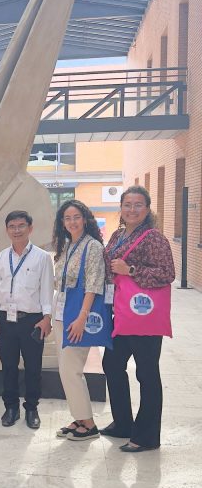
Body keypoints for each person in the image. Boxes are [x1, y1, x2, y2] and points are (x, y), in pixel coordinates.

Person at [102, 185, 175, 452]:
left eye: (138, 205)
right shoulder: (118, 234)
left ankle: (147, 436)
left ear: (147, 209)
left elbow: (167, 274)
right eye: (127, 204)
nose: (132, 209)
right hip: (122, 314)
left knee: (146, 373)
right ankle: (123, 423)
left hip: (144, 316)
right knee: (111, 364)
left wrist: (130, 269)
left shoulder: (154, 238)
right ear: (121, 208)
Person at [0, 210, 53, 429]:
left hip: (32, 320)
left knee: (33, 367)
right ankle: (11, 408)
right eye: (12, 227)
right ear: (7, 230)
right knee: (8, 366)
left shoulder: (42, 257)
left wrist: (47, 318)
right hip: (5, 319)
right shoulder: (0, 258)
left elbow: (47, 290)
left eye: (21, 226)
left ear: (30, 228)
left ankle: (32, 408)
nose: (17, 230)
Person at [52, 200, 106, 442]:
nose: (72, 222)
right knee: (66, 370)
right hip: (61, 311)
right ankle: (79, 418)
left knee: (71, 369)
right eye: (67, 218)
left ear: (85, 219)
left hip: (78, 313)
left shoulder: (92, 246)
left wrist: (82, 317)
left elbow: (93, 284)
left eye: (76, 217)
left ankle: (89, 424)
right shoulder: (66, 246)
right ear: (62, 223)